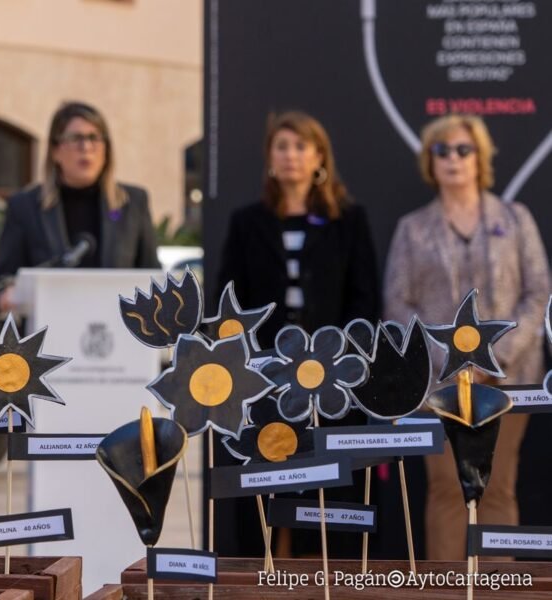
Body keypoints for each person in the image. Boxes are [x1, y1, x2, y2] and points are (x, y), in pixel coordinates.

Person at [384, 114, 550, 560]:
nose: (454, 159)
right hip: (437, 386)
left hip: (509, 381)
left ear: (480, 158)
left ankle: (497, 587)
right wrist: (452, 361)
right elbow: (398, 304)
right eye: (443, 151)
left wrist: (494, 358)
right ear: (430, 162)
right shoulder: (412, 228)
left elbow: (538, 294)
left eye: (463, 149)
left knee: (497, 488)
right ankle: (445, 588)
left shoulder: (515, 219)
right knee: (444, 491)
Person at [215, 111, 380, 558]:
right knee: (267, 492)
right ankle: (264, 579)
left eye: (301, 146)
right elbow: (228, 303)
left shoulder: (349, 220)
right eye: (282, 146)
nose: (291, 155)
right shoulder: (247, 222)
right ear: (270, 157)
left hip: (332, 383)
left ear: (319, 157)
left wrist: (333, 359)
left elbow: (365, 301)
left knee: (323, 495)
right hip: (263, 382)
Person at [0, 101, 159, 311]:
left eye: (94, 138)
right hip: (49, 333)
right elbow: (2, 281)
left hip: (117, 330)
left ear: (106, 149)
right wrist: (6, 295)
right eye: (76, 138)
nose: (86, 147)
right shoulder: (25, 206)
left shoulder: (133, 202)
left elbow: (151, 274)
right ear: (55, 151)